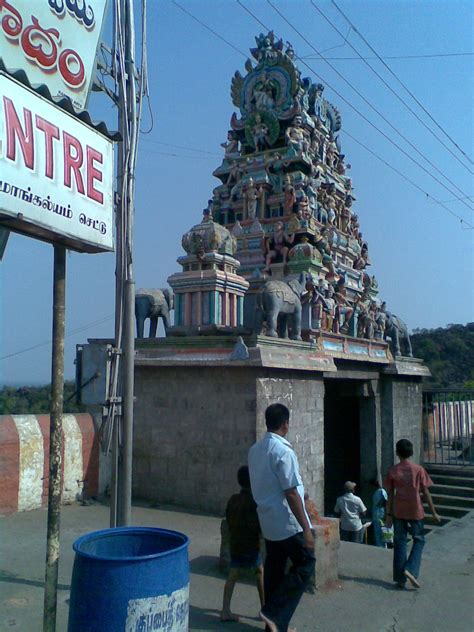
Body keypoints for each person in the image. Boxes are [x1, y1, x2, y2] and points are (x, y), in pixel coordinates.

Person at [248, 403, 315, 632]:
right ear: (285, 424)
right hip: (287, 522)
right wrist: (306, 529)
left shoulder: (255, 450)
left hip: (268, 521)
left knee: (275, 570)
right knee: (306, 563)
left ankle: (275, 625)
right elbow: (290, 492)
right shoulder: (283, 451)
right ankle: (273, 612)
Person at [384, 439, 441, 589]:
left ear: (397, 452)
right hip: (415, 509)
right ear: (411, 452)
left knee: (400, 542)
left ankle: (399, 578)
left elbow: (390, 494)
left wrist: (388, 515)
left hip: (398, 510)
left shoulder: (393, 471)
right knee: (419, 540)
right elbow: (426, 492)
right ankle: (410, 569)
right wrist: (434, 512)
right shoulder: (418, 469)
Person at [221, 465, 264, 623]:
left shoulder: (233, 499)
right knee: (259, 573)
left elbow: (228, 517)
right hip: (250, 544)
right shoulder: (254, 502)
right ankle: (264, 610)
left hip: (236, 543)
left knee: (233, 575)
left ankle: (225, 610)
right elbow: (257, 524)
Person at [370, 478, 388, 548]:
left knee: (381, 530)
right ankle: (379, 545)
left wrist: (387, 514)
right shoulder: (376, 492)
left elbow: (386, 502)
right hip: (376, 512)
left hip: (381, 512)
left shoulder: (382, 491)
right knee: (377, 530)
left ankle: (383, 546)